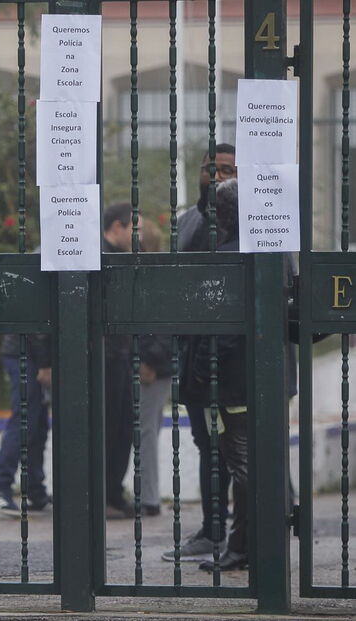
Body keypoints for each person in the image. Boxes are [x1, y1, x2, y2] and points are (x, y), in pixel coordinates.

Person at [163, 145, 237, 562]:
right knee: (206, 445)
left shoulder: (251, 218)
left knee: (238, 448)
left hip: (234, 357)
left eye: (228, 169)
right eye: (213, 168)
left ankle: (245, 535)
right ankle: (213, 531)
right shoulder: (188, 220)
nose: (219, 175)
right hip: (194, 357)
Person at [179, 178, 248, 571]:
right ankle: (245, 544)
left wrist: (203, 374)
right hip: (248, 378)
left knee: (240, 464)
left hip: (229, 383)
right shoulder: (259, 250)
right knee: (245, 462)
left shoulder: (227, 256)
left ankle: (241, 547)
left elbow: (218, 330)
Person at [134, 221, 173, 517]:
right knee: (148, 428)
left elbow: (158, 327)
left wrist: (147, 362)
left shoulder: (150, 275)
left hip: (153, 368)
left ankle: (149, 498)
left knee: (146, 430)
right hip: (157, 365)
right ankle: (146, 494)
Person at [0, 334, 52, 517]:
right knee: (23, 420)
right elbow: (36, 328)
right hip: (23, 351)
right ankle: (0, 489)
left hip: (29, 352)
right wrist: (44, 365)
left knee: (38, 424)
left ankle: (35, 490)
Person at [102, 202, 135, 519]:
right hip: (106, 358)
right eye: (131, 227)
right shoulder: (99, 256)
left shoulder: (121, 258)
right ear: (116, 227)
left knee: (124, 427)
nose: (135, 234)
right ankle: (106, 493)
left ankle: (113, 491)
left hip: (120, 356)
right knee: (108, 428)